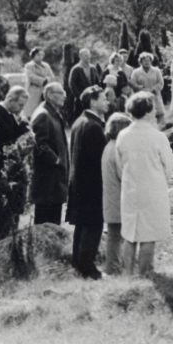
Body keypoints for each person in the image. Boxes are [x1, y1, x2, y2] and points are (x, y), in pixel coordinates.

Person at [116, 92, 173, 276]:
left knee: (130, 234)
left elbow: (119, 165)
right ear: (148, 112)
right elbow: (169, 165)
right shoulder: (158, 136)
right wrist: (160, 179)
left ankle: (128, 275)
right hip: (153, 189)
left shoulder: (122, 135)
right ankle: (143, 274)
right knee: (149, 235)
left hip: (130, 188)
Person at [67, 85, 109, 279]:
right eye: (103, 98)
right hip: (91, 185)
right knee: (93, 226)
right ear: (93, 102)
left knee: (82, 226)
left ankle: (78, 263)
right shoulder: (92, 126)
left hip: (79, 183)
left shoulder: (80, 121)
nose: (107, 101)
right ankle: (88, 268)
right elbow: (98, 159)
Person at [30, 82, 70, 225]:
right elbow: (40, 145)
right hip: (47, 181)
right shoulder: (44, 115)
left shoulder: (52, 112)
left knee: (53, 223)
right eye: (60, 93)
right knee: (45, 224)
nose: (64, 97)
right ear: (48, 95)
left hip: (53, 181)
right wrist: (56, 161)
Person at [102, 113, 132, 275]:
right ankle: (114, 268)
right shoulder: (117, 149)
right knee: (116, 236)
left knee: (114, 235)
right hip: (118, 198)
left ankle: (112, 267)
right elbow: (124, 175)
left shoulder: (109, 146)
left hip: (111, 197)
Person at [0, 86, 29, 168]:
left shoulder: (10, 113)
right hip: (0, 166)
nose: (22, 109)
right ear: (10, 100)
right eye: (20, 105)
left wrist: (23, 125)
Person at [67, 48, 101, 125]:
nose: (88, 57)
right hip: (80, 100)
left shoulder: (93, 68)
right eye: (86, 56)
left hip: (92, 99)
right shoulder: (76, 69)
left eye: (89, 55)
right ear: (80, 56)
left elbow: (97, 83)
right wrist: (80, 96)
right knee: (78, 119)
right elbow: (72, 85)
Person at [130, 52, 166, 122]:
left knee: (159, 114)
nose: (147, 62)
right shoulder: (136, 72)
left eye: (148, 60)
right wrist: (140, 88)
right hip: (142, 96)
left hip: (155, 95)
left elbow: (160, 83)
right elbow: (133, 83)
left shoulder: (156, 71)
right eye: (144, 61)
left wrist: (153, 89)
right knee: (145, 114)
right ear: (141, 62)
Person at [24, 47, 55, 119]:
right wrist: (43, 80)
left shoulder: (46, 65)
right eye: (38, 55)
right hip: (33, 91)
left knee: (44, 110)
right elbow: (30, 77)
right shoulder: (29, 65)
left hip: (44, 91)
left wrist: (47, 80)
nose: (40, 57)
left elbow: (51, 76)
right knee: (32, 112)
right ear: (33, 55)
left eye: (42, 55)